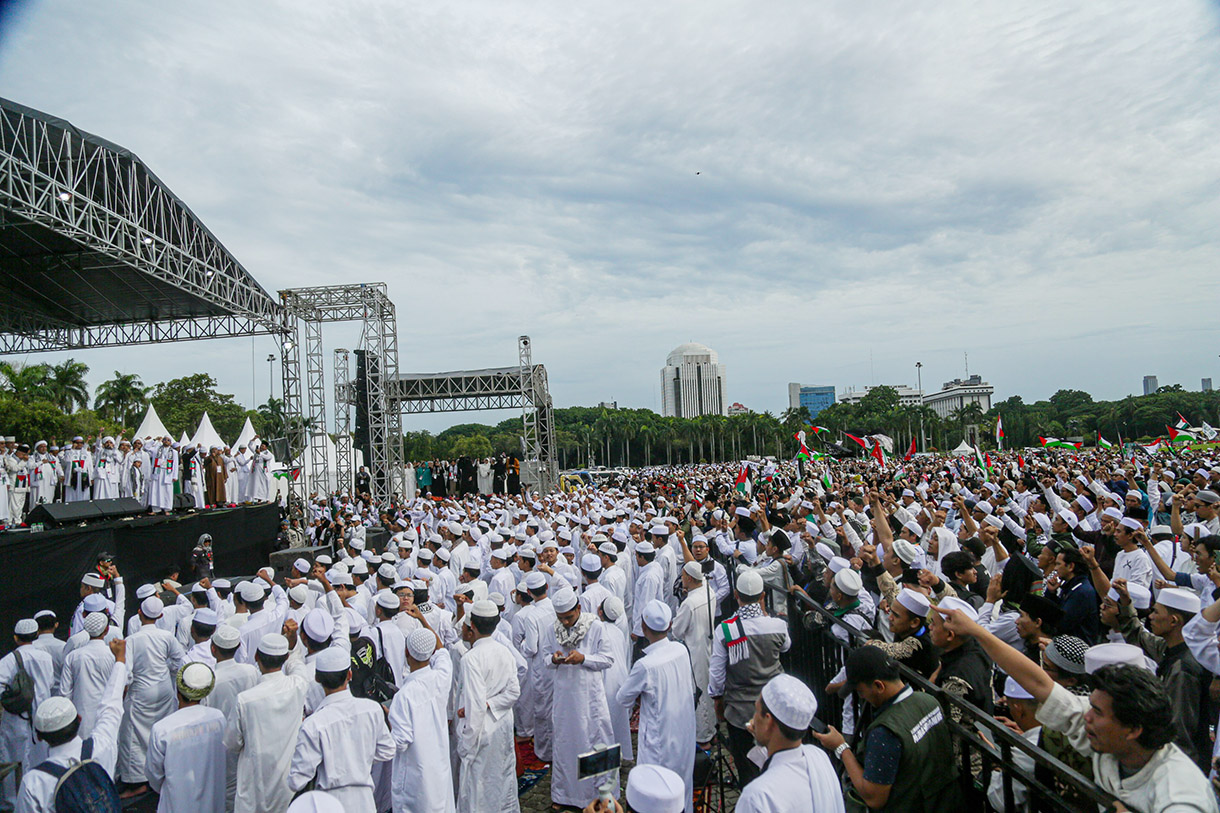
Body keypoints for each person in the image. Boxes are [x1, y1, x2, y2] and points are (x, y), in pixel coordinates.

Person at [934, 603, 1218, 813]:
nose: (1086, 718)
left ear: (1133, 729)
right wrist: (976, 631)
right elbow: (1041, 685)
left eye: (1097, 712)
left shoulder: (1180, 795)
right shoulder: (1111, 735)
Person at [813, 646, 962, 812]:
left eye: (861, 691)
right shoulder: (928, 701)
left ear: (879, 686)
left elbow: (874, 798)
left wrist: (841, 748)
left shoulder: (885, 732)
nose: (862, 697)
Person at [17, 638, 128, 812]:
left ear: (39, 735)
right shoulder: (101, 746)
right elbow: (111, 706)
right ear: (79, 719)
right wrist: (120, 660)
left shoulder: (34, 782)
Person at [707, 570, 790, 787]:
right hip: (773, 709)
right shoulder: (777, 626)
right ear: (763, 596)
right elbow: (786, 646)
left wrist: (717, 699)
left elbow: (716, 673)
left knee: (746, 768)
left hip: (739, 711)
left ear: (736, 595)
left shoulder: (725, 631)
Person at [288, 646, 396, 812]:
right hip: (365, 801)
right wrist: (360, 758)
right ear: (349, 675)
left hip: (329, 803)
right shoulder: (372, 709)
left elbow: (296, 781)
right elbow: (388, 750)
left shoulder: (313, 724)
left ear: (317, 678)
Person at [616, 600, 696, 813]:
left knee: (655, 791)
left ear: (643, 628)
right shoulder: (681, 649)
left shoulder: (645, 665)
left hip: (659, 737)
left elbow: (622, 698)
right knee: (682, 782)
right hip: (684, 729)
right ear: (670, 625)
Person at [545, 588, 618, 809]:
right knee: (566, 744)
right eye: (561, 618)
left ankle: (602, 794)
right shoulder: (552, 629)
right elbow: (544, 658)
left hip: (590, 698)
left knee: (596, 741)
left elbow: (607, 659)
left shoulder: (595, 626)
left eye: (569, 617)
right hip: (565, 699)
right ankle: (565, 795)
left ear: (578, 608)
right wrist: (554, 659)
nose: (566, 622)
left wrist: (584, 658)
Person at [224, 631, 311, 813]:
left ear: (256, 656)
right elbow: (297, 665)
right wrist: (291, 643)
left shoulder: (245, 700)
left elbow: (232, 743)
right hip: (286, 784)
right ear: (285, 658)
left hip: (254, 785)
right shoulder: (298, 685)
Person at [736, 674, 845, 813]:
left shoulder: (755, 798)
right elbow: (784, 766)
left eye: (757, 711)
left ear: (768, 721)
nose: (754, 718)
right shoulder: (818, 757)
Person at [454, 600, 521, 813]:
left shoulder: (471, 659)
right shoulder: (504, 651)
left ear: (471, 627)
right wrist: (489, 703)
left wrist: (466, 746)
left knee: (478, 787)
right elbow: (512, 693)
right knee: (500, 780)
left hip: (481, 730)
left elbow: (474, 709)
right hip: (501, 725)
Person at [116, 596, 187, 794]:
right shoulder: (166, 636)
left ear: (139, 613)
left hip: (140, 691)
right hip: (163, 689)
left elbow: (126, 671)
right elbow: (180, 659)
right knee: (162, 728)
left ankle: (137, 780)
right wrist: (166, 669)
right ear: (161, 615)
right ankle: (163, 768)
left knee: (133, 735)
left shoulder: (130, 640)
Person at [387, 626, 454, 813]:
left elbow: (400, 741)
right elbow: (442, 654)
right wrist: (423, 622)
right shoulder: (441, 676)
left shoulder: (404, 696)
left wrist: (385, 722)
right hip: (438, 764)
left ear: (406, 651)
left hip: (414, 776)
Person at [145, 662, 227, 813]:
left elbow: (154, 775)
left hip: (176, 803)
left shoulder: (162, 729)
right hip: (212, 801)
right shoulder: (219, 718)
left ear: (178, 691)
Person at [202, 623, 259, 813]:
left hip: (221, 741)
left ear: (213, 649)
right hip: (250, 735)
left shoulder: (210, 680)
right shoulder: (250, 670)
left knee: (226, 786)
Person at [0, 619, 56, 804]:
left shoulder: (8, 660)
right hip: (42, 716)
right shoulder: (45, 657)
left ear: (16, 638)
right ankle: (43, 798)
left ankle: (14, 803)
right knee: (41, 757)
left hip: (16, 719)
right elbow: (49, 684)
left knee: (14, 761)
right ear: (36, 635)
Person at [671, 560, 716, 745]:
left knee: (699, 693)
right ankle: (711, 728)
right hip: (707, 645)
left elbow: (677, 630)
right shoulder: (708, 592)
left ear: (689, 577)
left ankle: (703, 735)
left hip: (694, 650)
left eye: (683, 576)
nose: (682, 579)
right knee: (708, 688)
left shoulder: (690, 603)